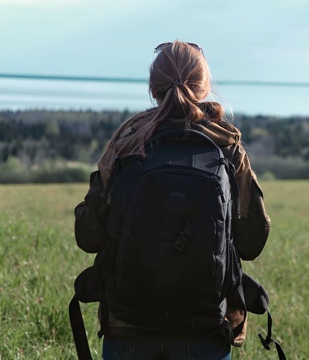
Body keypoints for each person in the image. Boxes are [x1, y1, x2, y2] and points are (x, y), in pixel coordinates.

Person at [74, 41, 271, 359]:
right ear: (204, 88)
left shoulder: (126, 142)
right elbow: (252, 242)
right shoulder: (227, 146)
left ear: (153, 88)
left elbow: (87, 235)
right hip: (206, 327)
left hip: (128, 326)